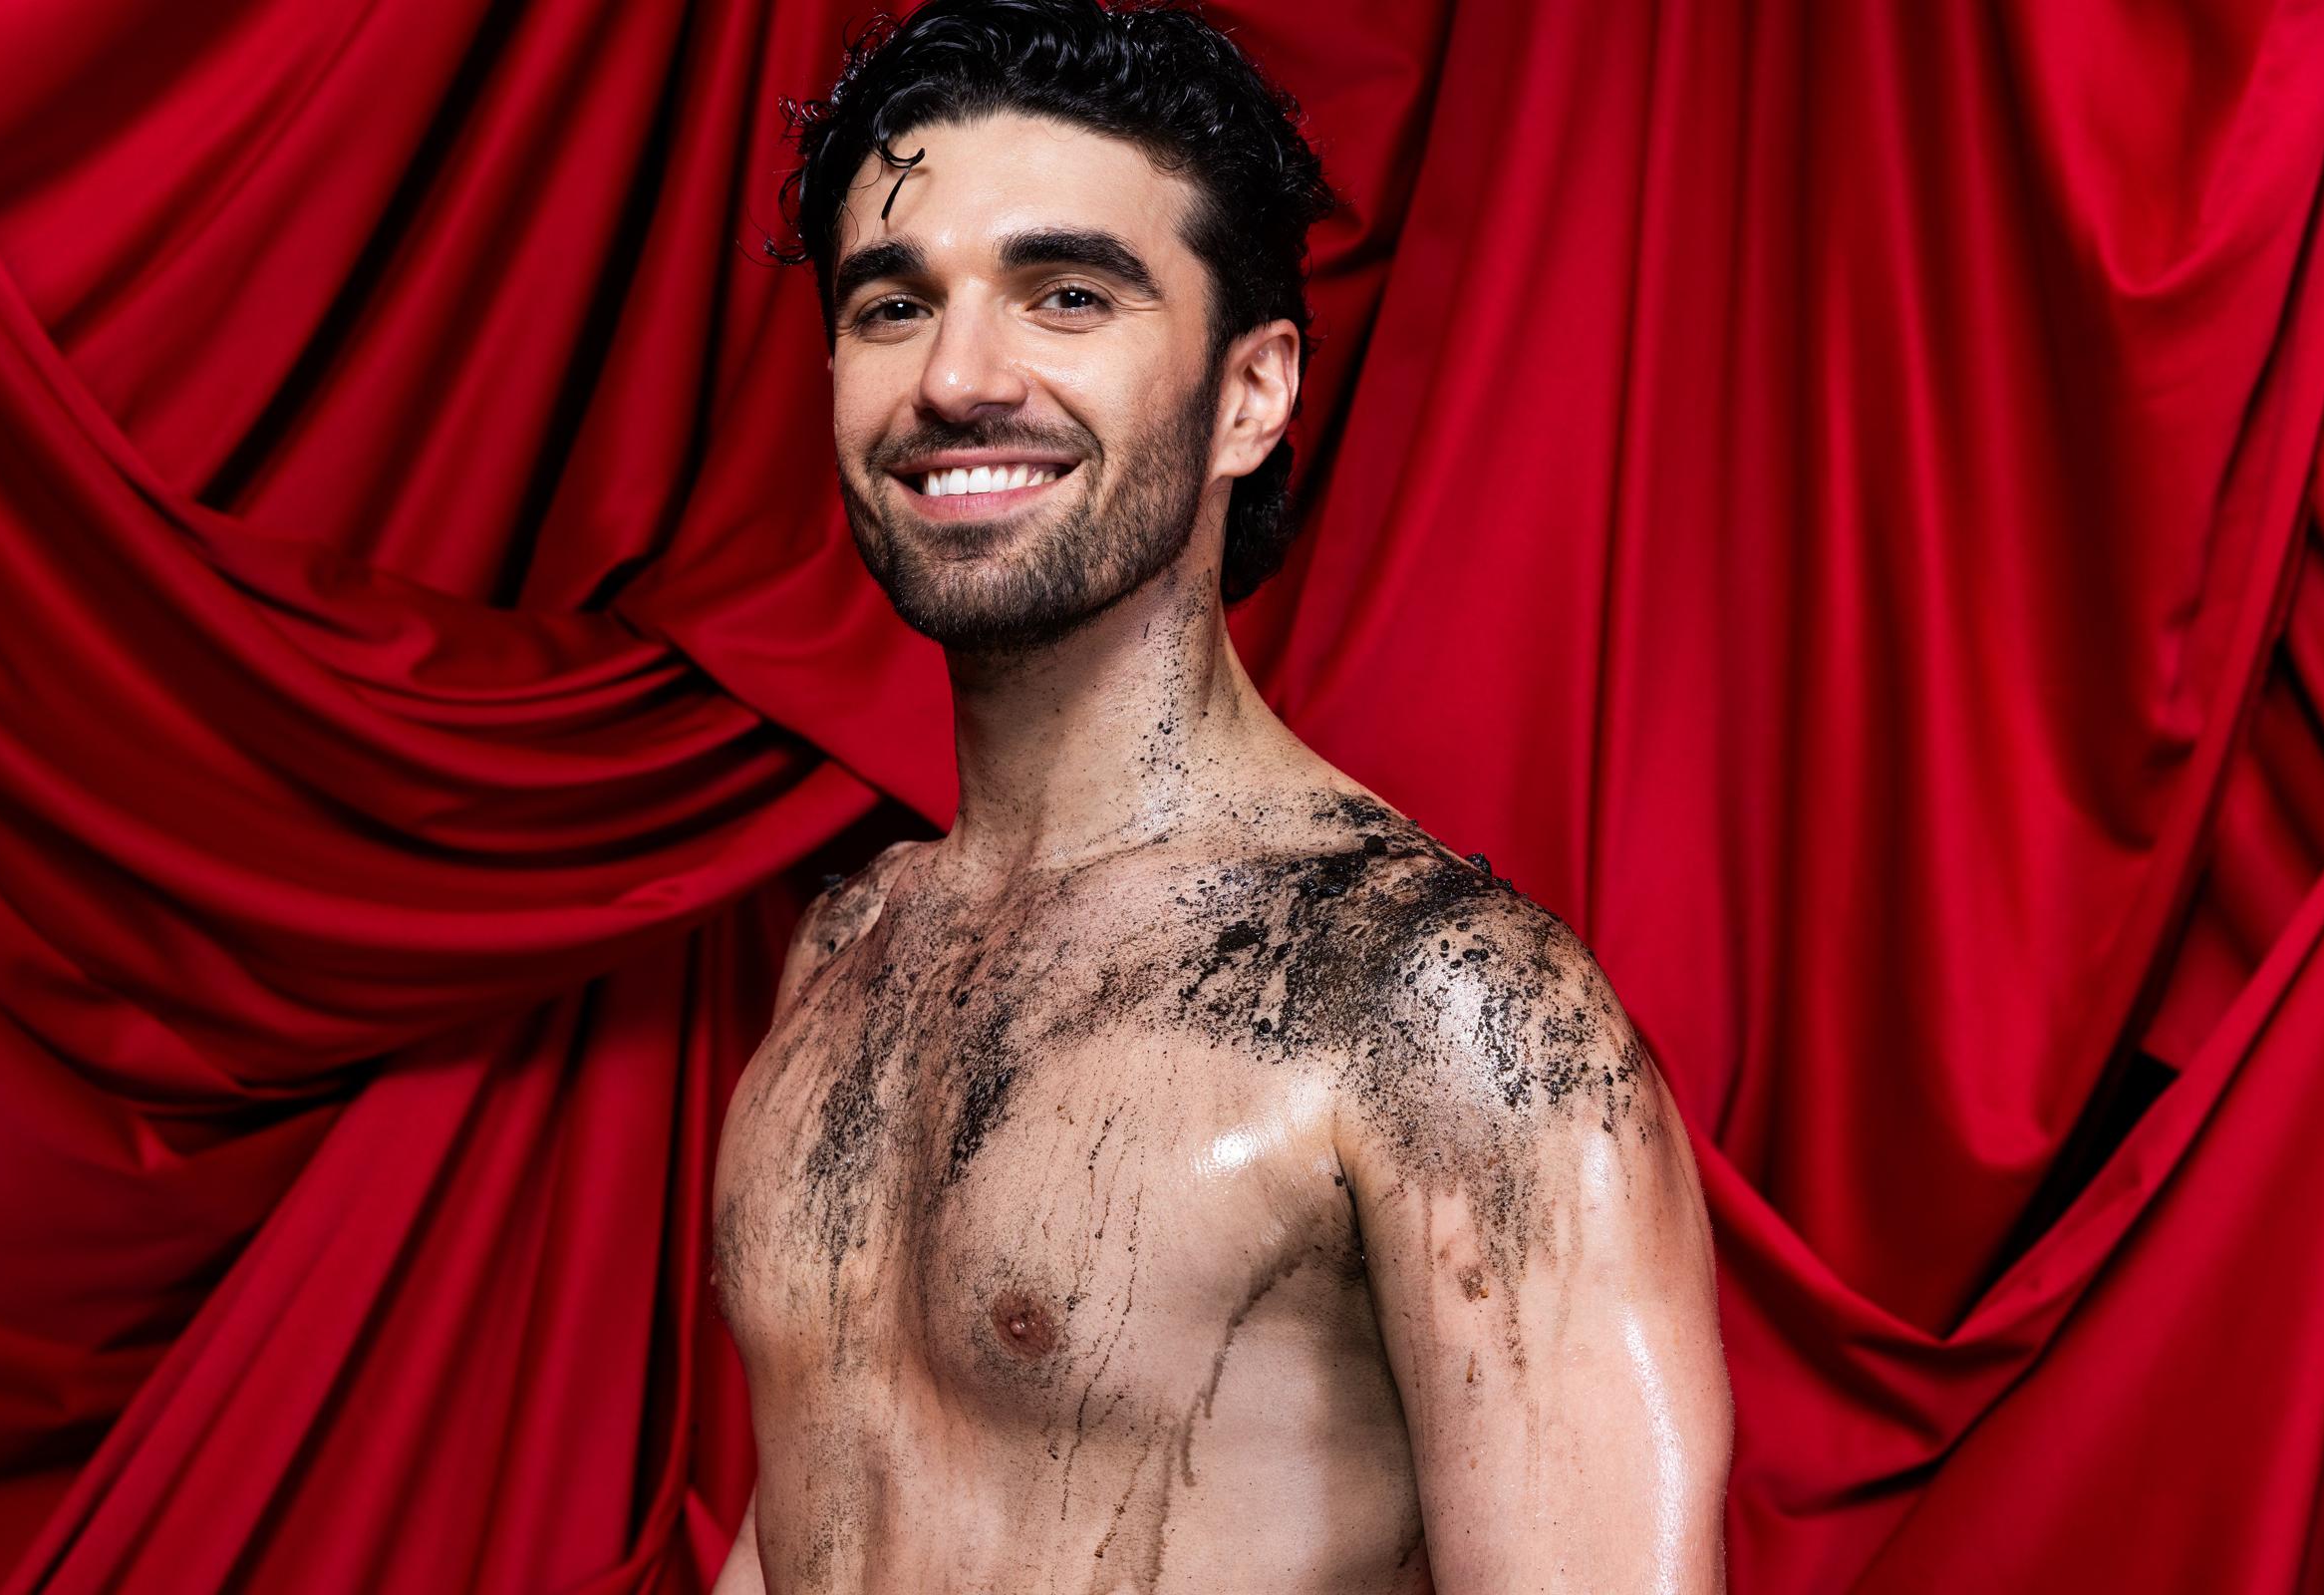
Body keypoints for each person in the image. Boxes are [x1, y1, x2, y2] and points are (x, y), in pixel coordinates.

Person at [709, 2, 1731, 1588]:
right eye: (894, 305)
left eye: (1067, 294)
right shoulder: (846, 955)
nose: (960, 375)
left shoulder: (1447, 1011)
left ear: (1252, 395)